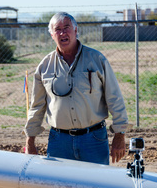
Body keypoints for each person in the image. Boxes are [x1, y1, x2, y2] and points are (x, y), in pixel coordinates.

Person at [24, 12, 129, 165]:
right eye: (57, 29)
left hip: (93, 140)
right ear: (52, 35)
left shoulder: (97, 60)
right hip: (59, 142)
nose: (62, 33)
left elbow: (114, 98)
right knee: (59, 187)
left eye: (66, 27)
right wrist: (30, 140)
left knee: (96, 187)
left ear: (75, 30)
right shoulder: (44, 66)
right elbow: (37, 106)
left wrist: (120, 135)